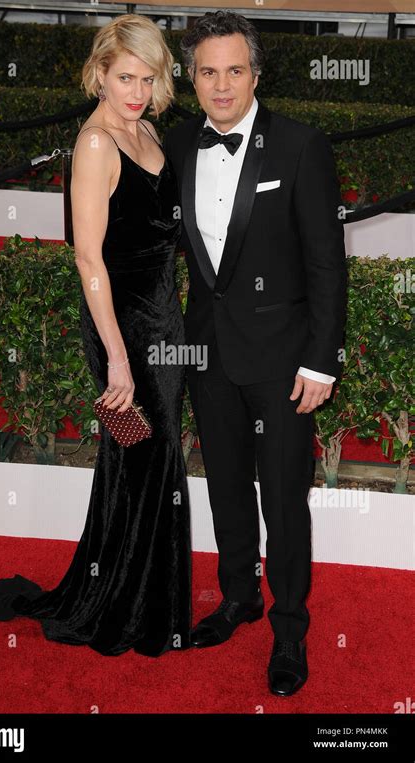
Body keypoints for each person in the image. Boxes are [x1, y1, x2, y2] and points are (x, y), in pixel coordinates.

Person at [0, 14, 192, 658]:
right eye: (124, 78)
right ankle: (127, 606)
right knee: (146, 453)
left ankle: (143, 599)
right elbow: (89, 259)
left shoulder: (147, 130)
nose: (136, 92)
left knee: (154, 460)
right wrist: (117, 357)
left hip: (164, 318)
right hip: (123, 329)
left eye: (147, 78)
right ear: (99, 73)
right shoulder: (95, 144)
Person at [164, 10, 347, 694]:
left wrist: (321, 359)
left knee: (285, 502)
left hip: (282, 360)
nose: (221, 85)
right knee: (228, 490)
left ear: (256, 73)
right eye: (207, 71)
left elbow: (327, 263)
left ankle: (290, 632)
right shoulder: (179, 143)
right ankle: (237, 597)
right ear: (191, 76)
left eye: (234, 70)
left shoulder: (300, 146)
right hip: (208, 354)